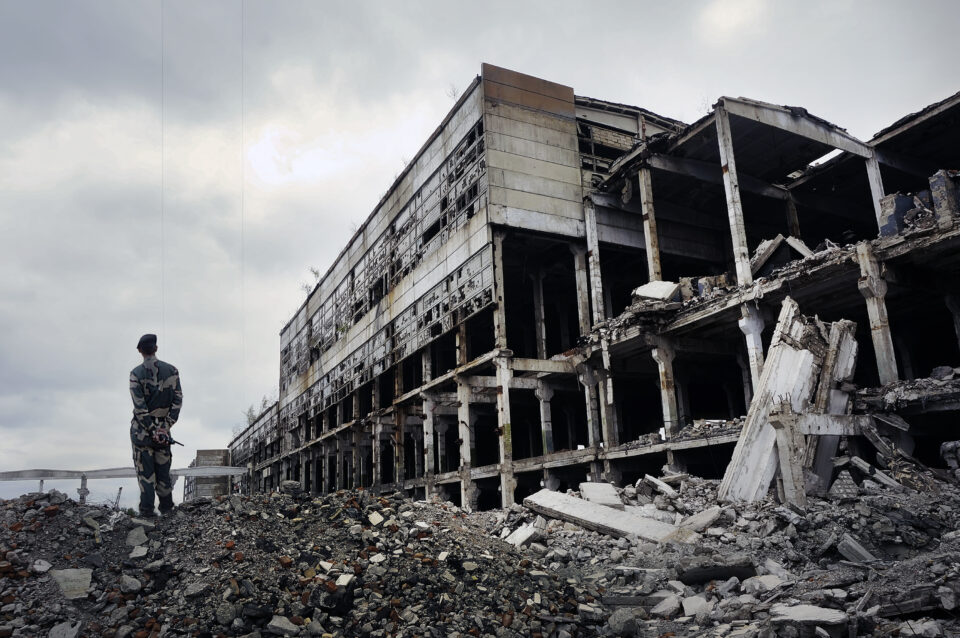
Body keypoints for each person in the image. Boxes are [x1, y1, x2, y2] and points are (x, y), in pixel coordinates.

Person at [129, 333, 183, 517]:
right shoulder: (172, 371)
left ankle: (147, 515)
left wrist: (151, 429)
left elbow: (139, 407)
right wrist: (165, 427)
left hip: (142, 434)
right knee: (163, 474)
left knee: (146, 476)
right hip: (163, 434)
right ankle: (167, 512)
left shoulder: (136, 374)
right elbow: (177, 402)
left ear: (139, 351)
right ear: (156, 348)